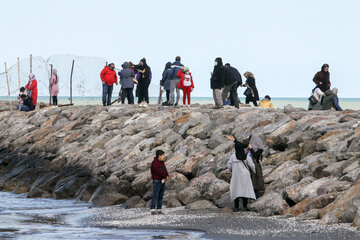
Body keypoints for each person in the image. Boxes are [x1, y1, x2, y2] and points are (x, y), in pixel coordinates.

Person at [226, 135, 256, 212]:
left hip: (236, 175)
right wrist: (254, 171)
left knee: (236, 190)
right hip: (245, 175)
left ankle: (236, 207)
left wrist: (230, 171)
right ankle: (245, 206)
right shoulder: (246, 156)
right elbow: (252, 165)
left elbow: (229, 166)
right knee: (245, 190)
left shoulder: (233, 157)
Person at [150, 149, 169, 215]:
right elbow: (158, 171)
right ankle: (152, 209)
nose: (164, 156)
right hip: (157, 181)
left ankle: (159, 209)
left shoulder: (162, 162)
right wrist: (165, 176)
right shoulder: (155, 162)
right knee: (155, 195)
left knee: (161, 195)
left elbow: (165, 170)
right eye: (163, 155)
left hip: (162, 181)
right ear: (159, 156)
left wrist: (167, 175)